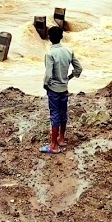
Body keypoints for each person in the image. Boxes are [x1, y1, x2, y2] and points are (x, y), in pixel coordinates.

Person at [40, 25, 81, 154]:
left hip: (53, 89)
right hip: (64, 88)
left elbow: (48, 74)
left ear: (49, 38)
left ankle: (53, 145)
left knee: (55, 115)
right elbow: (78, 69)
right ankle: (61, 139)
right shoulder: (68, 51)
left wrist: (45, 85)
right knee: (63, 113)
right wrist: (68, 78)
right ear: (62, 37)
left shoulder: (50, 54)